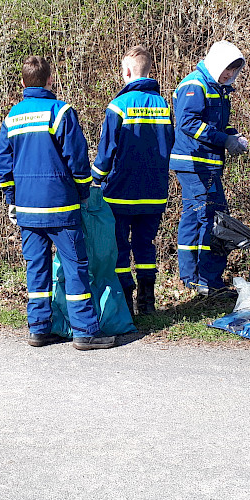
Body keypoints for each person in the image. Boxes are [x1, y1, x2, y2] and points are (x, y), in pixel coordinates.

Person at [0, 56, 114, 350]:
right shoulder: (60, 112)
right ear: (51, 80)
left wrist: (12, 201)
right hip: (61, 208)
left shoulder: (12, 118)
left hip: (27, 210)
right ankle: (85, 331)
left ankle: (38, 329)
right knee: (75, 267)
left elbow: (4, 166)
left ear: (22, 84)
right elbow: (77, 159)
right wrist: (84, 192)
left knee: (37, 268)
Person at [90, 45, 174, 316]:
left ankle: (125, 302)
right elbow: (169, 143)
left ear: (126, 71)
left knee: (120, 249)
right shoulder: (163, 105)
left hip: (121, 191)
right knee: (145, 246)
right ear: (149, 71)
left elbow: (107, 150)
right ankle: (148, 303)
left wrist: (95, 179)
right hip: (155, 190)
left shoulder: (118, 106)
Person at [169, 41, 249, 297]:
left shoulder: (218, 87)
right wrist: (224, 140)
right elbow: (189, 124)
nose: (229, 74)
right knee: (213, 217)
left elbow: (211, 125)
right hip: (195, 162)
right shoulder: (196, 85)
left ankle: (191, 279)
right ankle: (208, 281)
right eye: (227, 68)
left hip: (205, 163)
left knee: (194, 218)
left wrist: (232, 136)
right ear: (216, 63)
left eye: (234, 70)